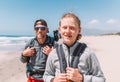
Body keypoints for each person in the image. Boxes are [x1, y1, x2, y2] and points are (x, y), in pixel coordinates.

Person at [43, 13, 106, 82]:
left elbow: (101, 79)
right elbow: (46, 75)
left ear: (79, 30)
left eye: (72, 28)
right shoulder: (53, 53)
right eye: (64, 27)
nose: (67, 31)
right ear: (59, 30)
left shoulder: (88, 53)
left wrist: (82, 78)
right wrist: (53, 80)